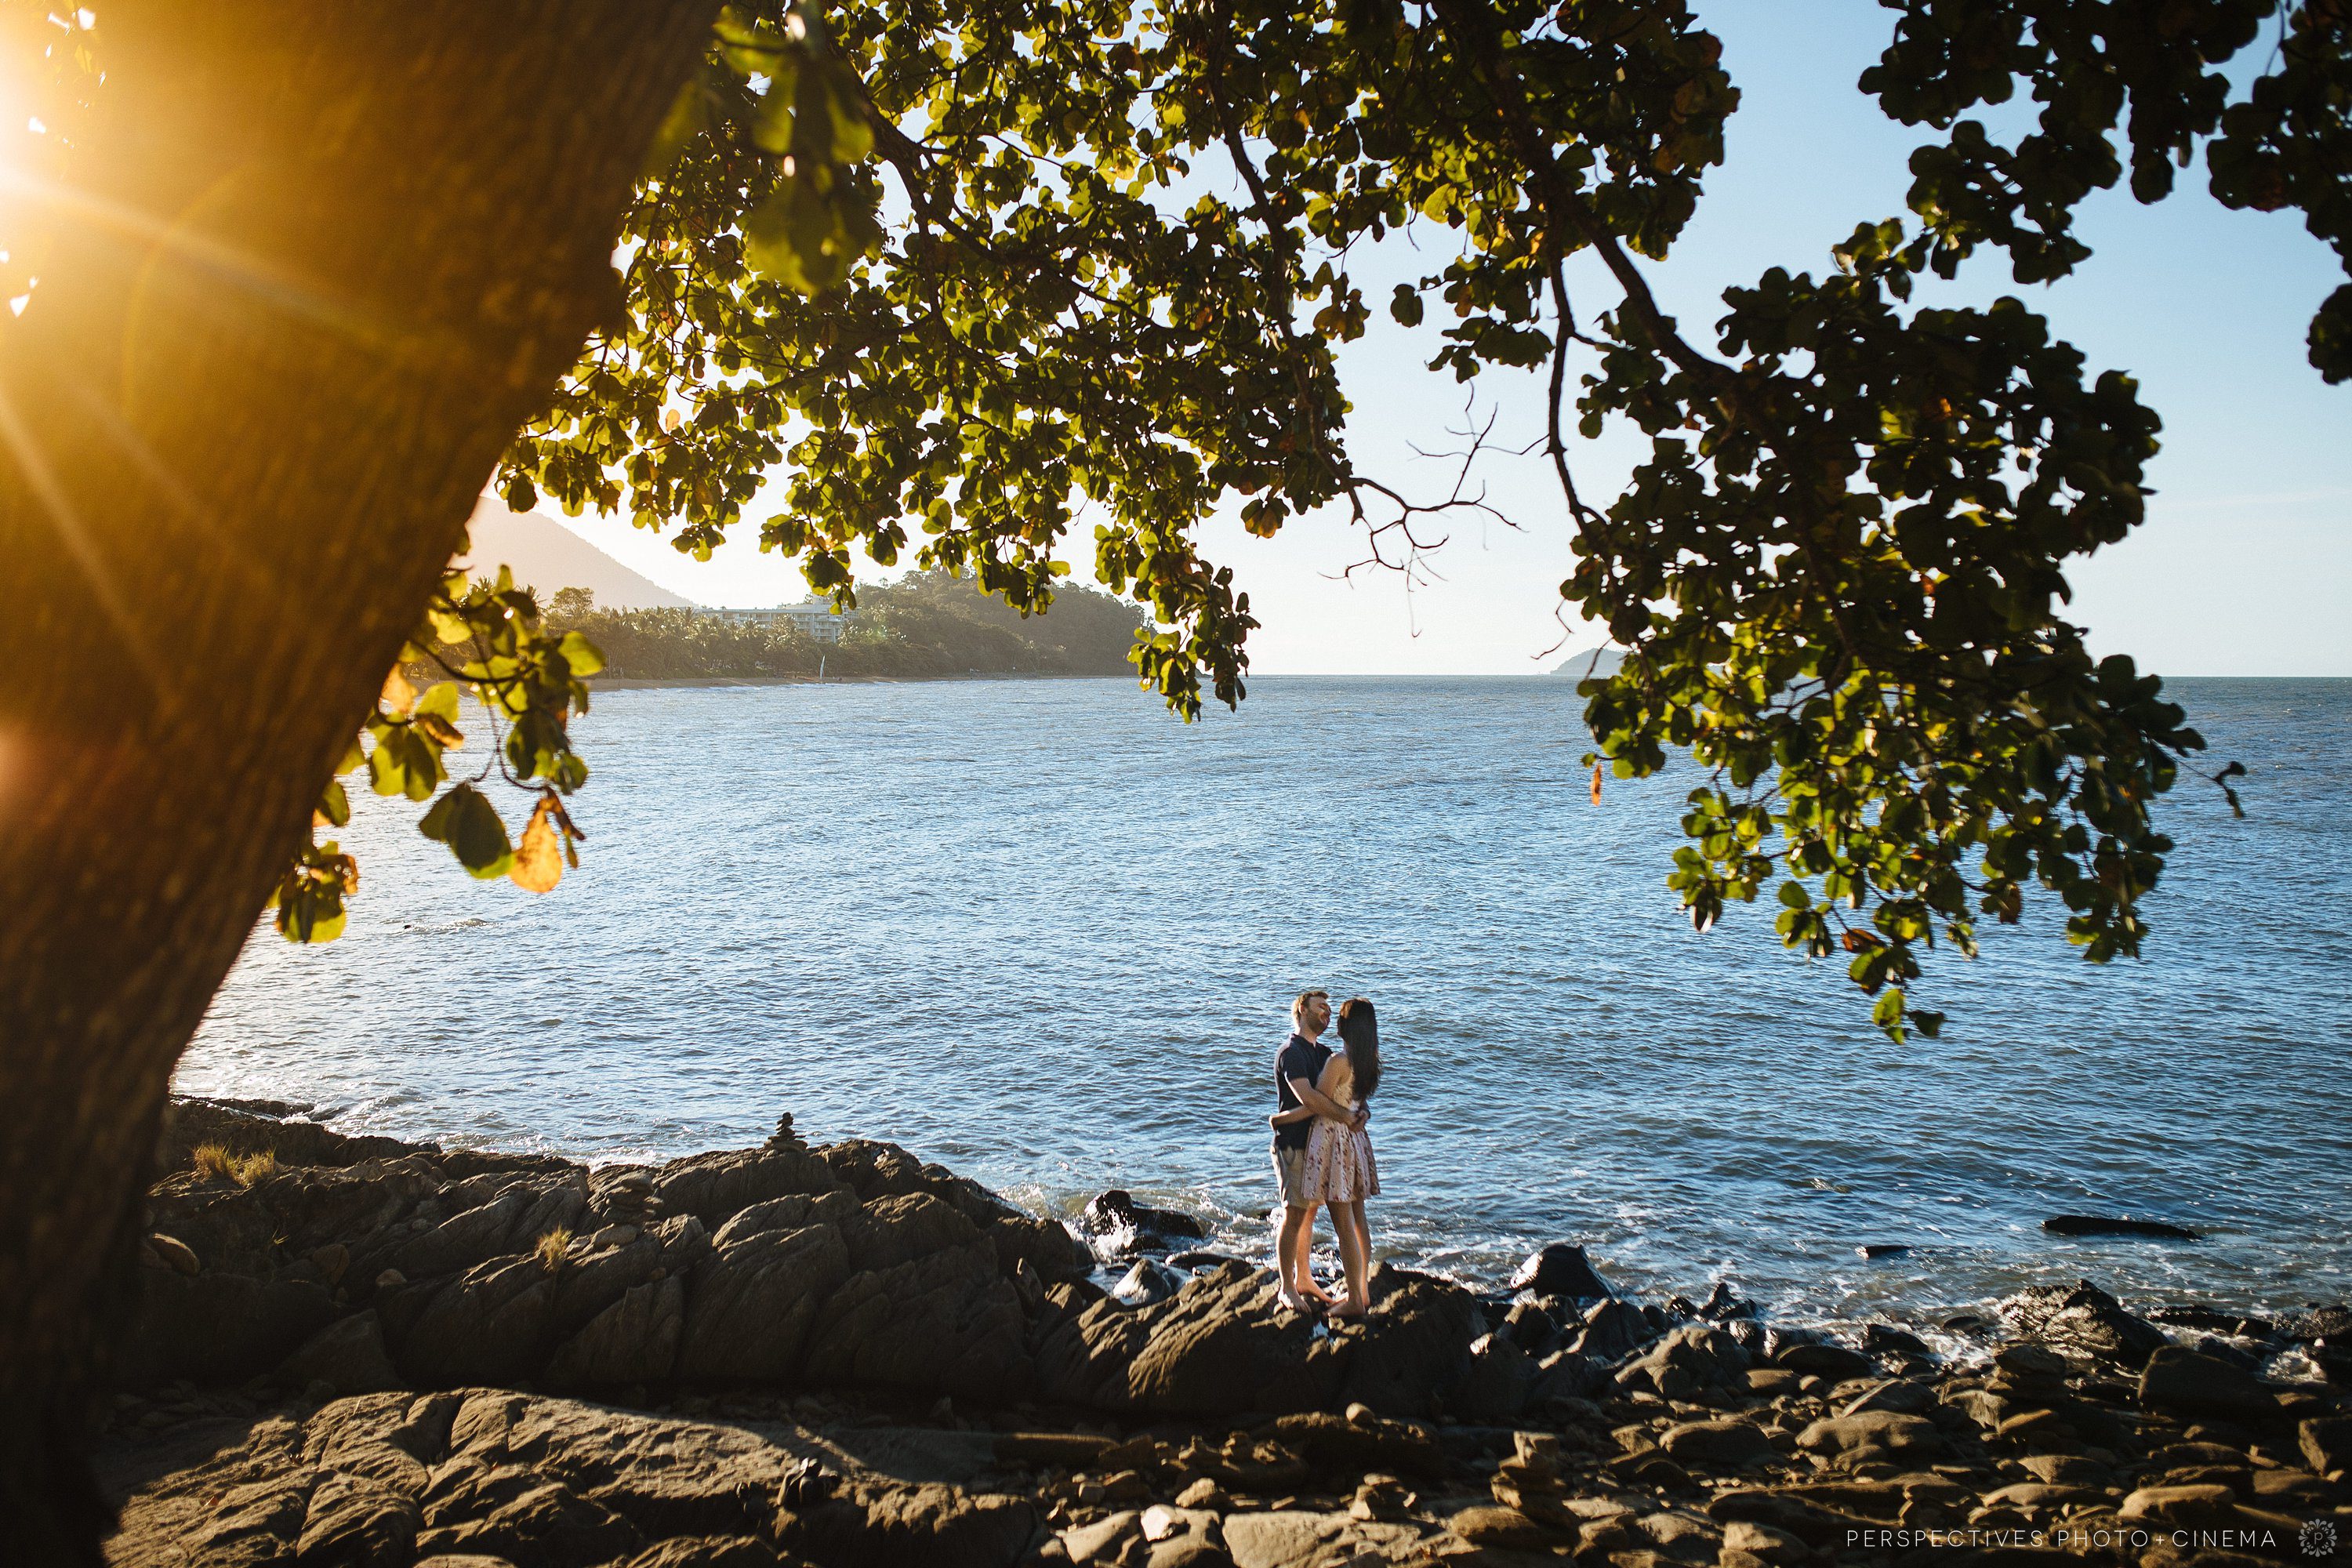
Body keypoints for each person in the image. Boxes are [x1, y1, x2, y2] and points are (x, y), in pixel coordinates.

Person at [1267, 989, 1363, 1312]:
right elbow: (1311, 1098)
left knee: (1309, 1212)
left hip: (1316, 1146)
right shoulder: (1290, 1053)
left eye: (1329, 1009)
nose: (1327, 1012)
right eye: (1321, 1007)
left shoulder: (1324, 1053)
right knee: (1293, 1213)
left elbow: (1337, 1095)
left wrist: (1358, 1111)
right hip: (1293, 1144)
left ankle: (1305, 1278)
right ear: (1301, 1009)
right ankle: (1285, 1288)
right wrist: (1347, 1116)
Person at [1296, 996, 1381, 1317]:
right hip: (1356, 1143)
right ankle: (1362, 1291)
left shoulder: (1338, 1063)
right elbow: (1358, 1102)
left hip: (1334, 1144)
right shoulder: (1368, 1061)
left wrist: (1283, 1119)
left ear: (1345, 1026)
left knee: (1343, 1224)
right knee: (1359, 1221)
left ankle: (1355, 1303)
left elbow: (1318, 1100)